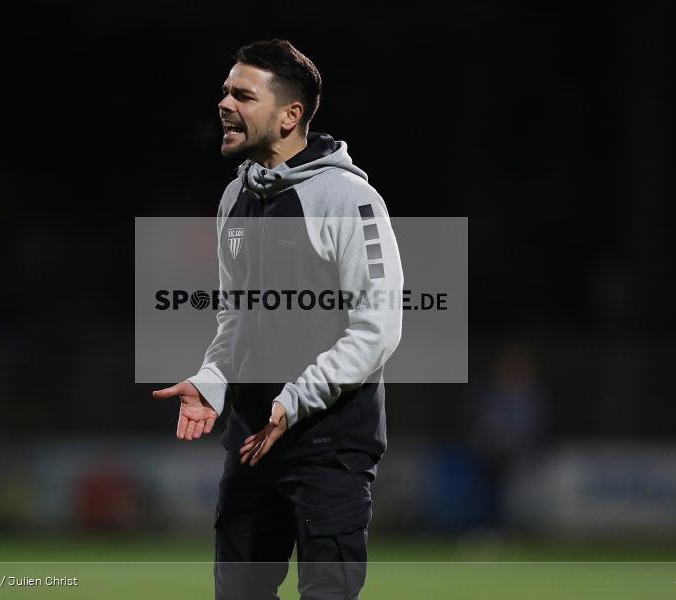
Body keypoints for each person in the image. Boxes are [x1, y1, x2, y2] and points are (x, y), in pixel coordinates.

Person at [153, 39, 403, 600]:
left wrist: (294, 400)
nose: (224, 104)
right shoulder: (234, 197)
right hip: (250, 443)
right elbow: (235, 317)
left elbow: (378, 327)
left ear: (291, 115)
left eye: (243, 95)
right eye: (225, 92)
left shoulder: (350, 200)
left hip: (329, 447)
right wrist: (213, 379)